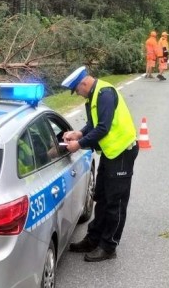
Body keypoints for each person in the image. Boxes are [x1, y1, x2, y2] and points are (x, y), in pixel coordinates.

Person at [60, 65, 140, 262]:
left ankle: (109, 246)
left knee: (116, 202)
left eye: (77, 90)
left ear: (84, 83)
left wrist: (78, 144)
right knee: (102, 197)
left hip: (122, 152)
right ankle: (93, 238)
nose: (78, 95)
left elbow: (103, 128)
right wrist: (79, 132)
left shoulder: (104, 94)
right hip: (110, 152)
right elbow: (93, 124)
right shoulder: (93, 96)